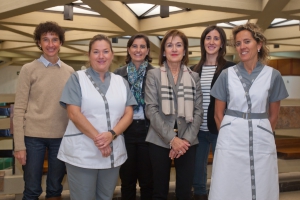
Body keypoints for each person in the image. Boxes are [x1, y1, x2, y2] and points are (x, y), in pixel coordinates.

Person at [209, 22, 289, 200]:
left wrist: (263, 133)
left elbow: (274, 115)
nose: (242, 47)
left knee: (262, 182)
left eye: (247, 41)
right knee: (228, 182)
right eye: (238, 43)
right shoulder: (226, 75)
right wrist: (230, 133)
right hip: (231, 140)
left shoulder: (273, 75)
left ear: (259, 44)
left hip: (261, 139)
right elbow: (217, 114)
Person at [57, 34, 137, 200]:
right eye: (96, 52)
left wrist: (111, 135)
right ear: (89, 55)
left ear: (112, 54)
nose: (101, 56)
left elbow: (128, 114)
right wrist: (101, 140)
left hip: (112, 153)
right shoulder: (77, 79)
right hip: (82, 153)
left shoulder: (121, 82)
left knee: (105, 197)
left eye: (106, 51)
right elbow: (73, 113)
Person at [13, 21, 74, 200]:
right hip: (33, 138)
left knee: (55, 189)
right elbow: (18, 109)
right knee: (31, 189)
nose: (50, 44)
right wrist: (19, 146)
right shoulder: (28, 69)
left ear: (60, 43)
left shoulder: (70, 72)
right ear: (39, 43)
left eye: (54, 39)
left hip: (61, 138)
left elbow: (74, 109)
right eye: (45, 40)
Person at [145, 29, 203, 200]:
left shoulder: (194, 77)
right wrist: (172, 139)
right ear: (164, 51)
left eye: (179, 45)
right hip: (159, 140)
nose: (174, 49)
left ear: (184, 50)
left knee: (185, 191)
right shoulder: (153, 75)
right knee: (159, 191)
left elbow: (199, 111)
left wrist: (184, 141)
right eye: (169, 45)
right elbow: (151, 109)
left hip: (188, 141)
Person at [192, 26, 235, 200]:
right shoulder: (193, 69)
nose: (211, 42)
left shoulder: (231, 69)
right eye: (208, 38)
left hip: (220, 128)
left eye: (216, 38)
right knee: (197, 173)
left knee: (223, 169)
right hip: (197, 130)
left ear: (222, 43)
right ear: (203, 42)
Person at [114, 34, 154, 200]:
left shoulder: (155, 73)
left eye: (142, 46)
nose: (138, 50)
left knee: (147, 181)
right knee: (127, 180)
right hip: (125, 131)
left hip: (149, 130)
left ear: (147, 50)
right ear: (129, 49)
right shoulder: (117, 74)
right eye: (135, 46)